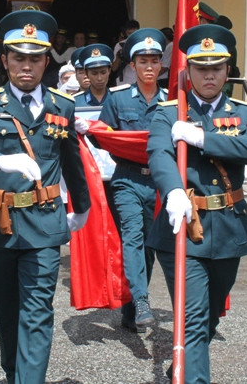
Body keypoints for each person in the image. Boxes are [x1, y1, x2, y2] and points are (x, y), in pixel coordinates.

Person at [0, 9, 90, 384]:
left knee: (38, 310)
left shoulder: (62, 105)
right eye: (19, 58)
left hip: (44, 224)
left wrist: (82, 207)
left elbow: (73, 161)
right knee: (7, 310)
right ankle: (13, 372)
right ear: (5, 60)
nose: (27, 66)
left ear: (46, 62)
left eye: (35, 58)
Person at [147, 24, 247, 383]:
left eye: (216, 67)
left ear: (228, 70)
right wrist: (171, 190)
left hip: (228, 227)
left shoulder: (245, 113)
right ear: (188, 71)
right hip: (182, 226)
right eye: (201, 68)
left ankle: (183, 365)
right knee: (194, 317)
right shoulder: (169, 112)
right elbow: (158, 154)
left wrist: (202, 138)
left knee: (212, 313)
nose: (209, 75)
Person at [99, 28, 168, 332]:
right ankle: (141, 298)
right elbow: (103, 137)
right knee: (132, 238)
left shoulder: (172, 103)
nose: (149, 66)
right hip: (126, 178)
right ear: (132, 66)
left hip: (159, 181)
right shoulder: (117, 99)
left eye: (154, 60)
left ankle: (131, 306)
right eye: (143, 61)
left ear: (161, 65)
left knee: (150, 247)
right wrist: (126, 147)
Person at [74, 43, 114, 108]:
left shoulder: (118, 99)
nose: (99, 78)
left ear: (109, 71)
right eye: (94, 73)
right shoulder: (76, 101)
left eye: (103, 72)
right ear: (86, 73)